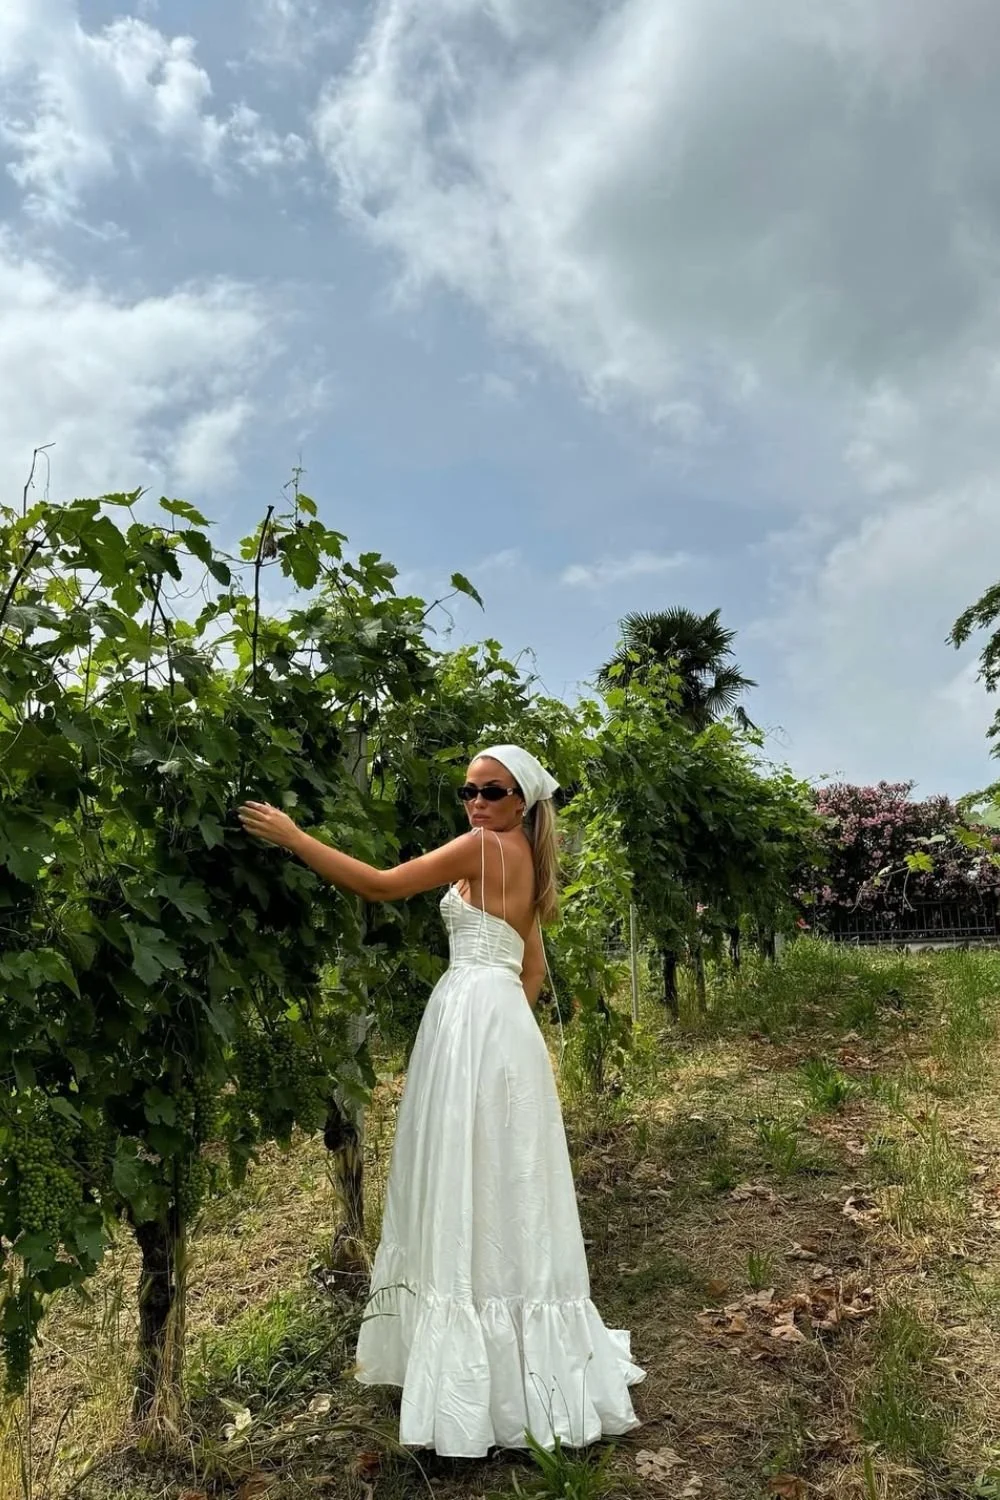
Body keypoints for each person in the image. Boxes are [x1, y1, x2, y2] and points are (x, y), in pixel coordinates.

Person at [237, 744, 643, 1458]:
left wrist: (296, 838)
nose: (477, 802)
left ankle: (473, 1382)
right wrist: (504, 1030)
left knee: (467, 1171)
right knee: (506, 1180)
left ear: (521, 801)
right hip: (500, 1025)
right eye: (469, 791)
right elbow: (534, 965)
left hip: (469, 1018)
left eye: (492, 790)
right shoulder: (525, 855)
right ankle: (523, 1365)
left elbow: (383, 886)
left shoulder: (481, 847)